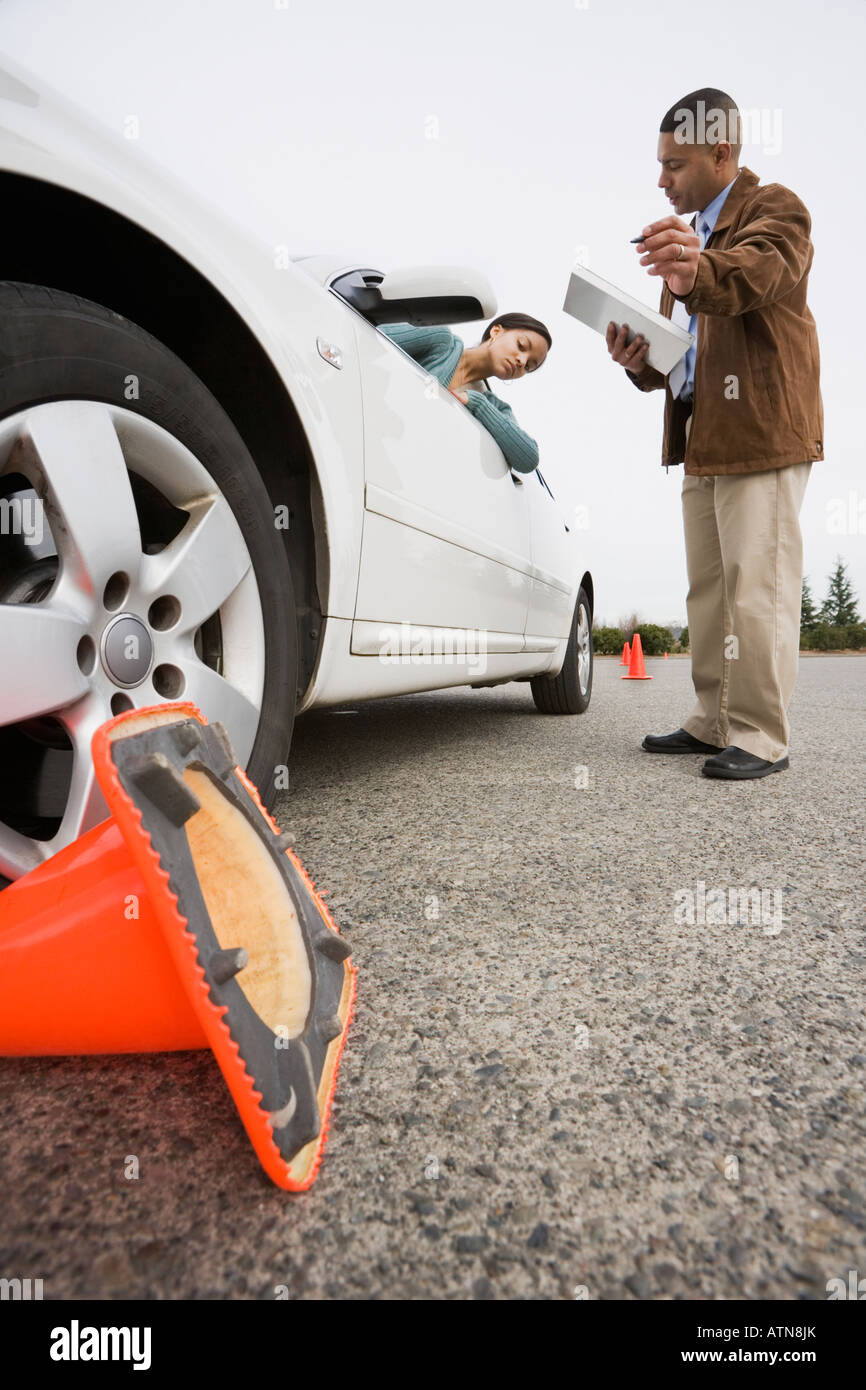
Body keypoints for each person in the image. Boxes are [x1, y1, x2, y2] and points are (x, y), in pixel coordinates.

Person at [606, 87, 823, 781]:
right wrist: (641, 362)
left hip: (762, 430)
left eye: (674, 164)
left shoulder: (774, 210)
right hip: (704, 435)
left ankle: (761, 737)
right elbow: (685, 355)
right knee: (709, 591)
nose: (661, 179)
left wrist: (697, 269)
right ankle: (713, 720)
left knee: (758, 588)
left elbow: (758, 274)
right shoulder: (685, 240)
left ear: (722, 151)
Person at [378, 312, 550, 473]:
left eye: (529, 366)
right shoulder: (439, 340)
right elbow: (367, 338)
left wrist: (478, 404)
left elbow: (529, 459)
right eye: (521, 345)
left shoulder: (494, 406)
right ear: (496, 331)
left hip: (405, 469)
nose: (522, 361)